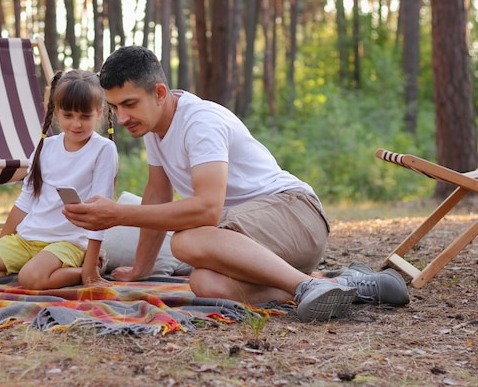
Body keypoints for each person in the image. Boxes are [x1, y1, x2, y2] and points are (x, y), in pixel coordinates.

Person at [63, 46, 409, 322]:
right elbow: (156, 195)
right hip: (257, 237)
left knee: (187, 241)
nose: (121, 118)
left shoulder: (200, 123)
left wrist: (118, 214)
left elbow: (207, 208)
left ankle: (304, 285)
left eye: (129, 104)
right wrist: (141, 269)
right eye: (114, 107)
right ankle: (342, 285)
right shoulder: (153, 127)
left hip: (295, 213)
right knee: (204, 283)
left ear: (159, 92)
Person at [0, 69, 118, 290]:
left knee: (30, 279)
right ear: (57, 112)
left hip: (68, 242)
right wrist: (0, 244)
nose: (76, 124)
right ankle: (33, 267)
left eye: (84, 116)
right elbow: (25, 202)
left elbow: (100, 213)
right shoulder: (46, 147)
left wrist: (89, 270)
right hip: (28, 239)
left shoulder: (103, 150)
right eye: (68, 116)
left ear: (99, 113)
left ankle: (90, 267)